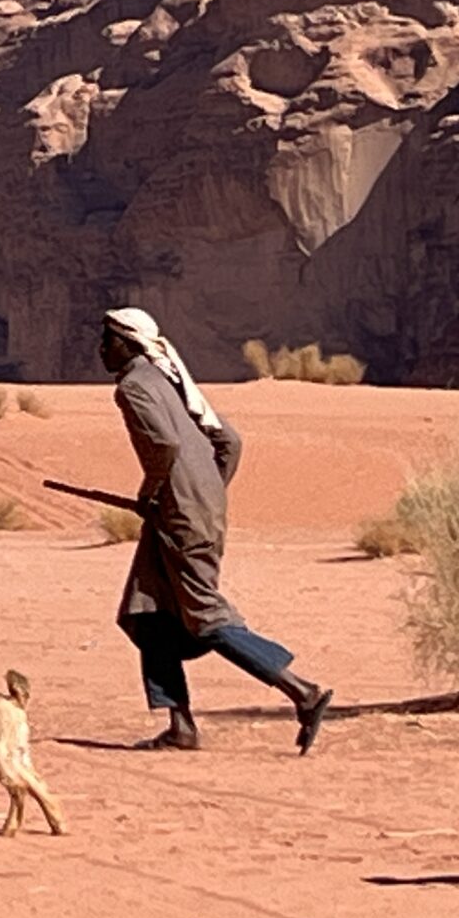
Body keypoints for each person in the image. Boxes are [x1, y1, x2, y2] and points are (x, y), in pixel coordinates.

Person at [100, 307, 331, 753]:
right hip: (191, 512)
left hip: (178, 517)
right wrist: (206, 491)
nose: (101, 347)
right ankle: (180, 726)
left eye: (107, 338)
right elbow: (230, 441)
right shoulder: (169, 379)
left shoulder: (134, 386)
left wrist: (156, 494)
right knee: (146, 613)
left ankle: (304, 693)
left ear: (129, 343)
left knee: (204, 615)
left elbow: (164, 445)